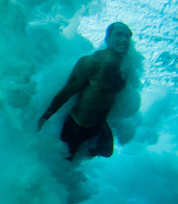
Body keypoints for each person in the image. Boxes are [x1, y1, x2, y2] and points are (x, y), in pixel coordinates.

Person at [37, 22, 134, 160]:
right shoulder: (92, 62)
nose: (124, 39)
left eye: (127, 36)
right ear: (108, 38)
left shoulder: (126, 67)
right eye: (119, 34)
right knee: (63, 162)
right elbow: (67, 92)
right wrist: (45, 117)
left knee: (106, 152)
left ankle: (85, 152)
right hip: (77, 126)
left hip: (98, 124)